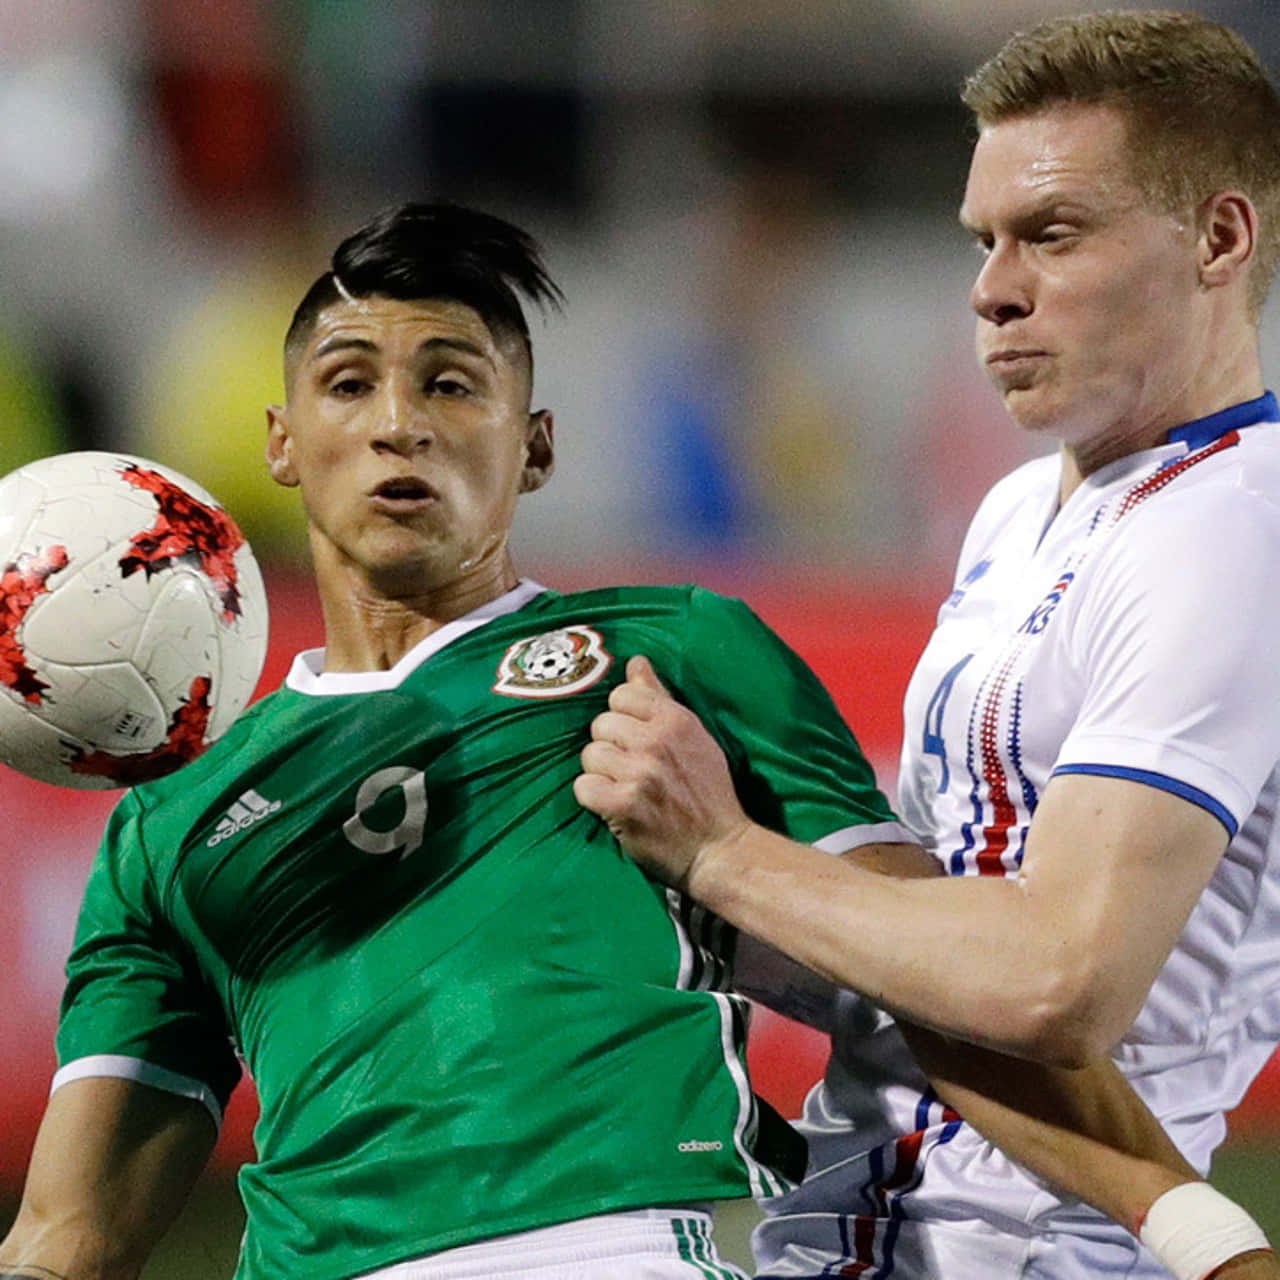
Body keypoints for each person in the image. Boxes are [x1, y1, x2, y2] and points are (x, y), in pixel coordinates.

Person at [0, 205, 1258, 1280]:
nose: (399, 422)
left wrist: (1194, 1228)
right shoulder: (170, 816)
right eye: (348, 383)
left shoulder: (675, 647)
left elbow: (927, 987)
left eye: (450, 381)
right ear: (282, 442)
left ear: (532, 446)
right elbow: (71, 1230)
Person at [575, 10, 1280, 1280]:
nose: (990, 286)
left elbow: (1059, 981)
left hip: (1038, 1253)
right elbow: (915, 947)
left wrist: (726, 852)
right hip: (862, 1225)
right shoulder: (1025, 506)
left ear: (1217, 239)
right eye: (982, 239)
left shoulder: (1233, 528)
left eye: (1050, 234)